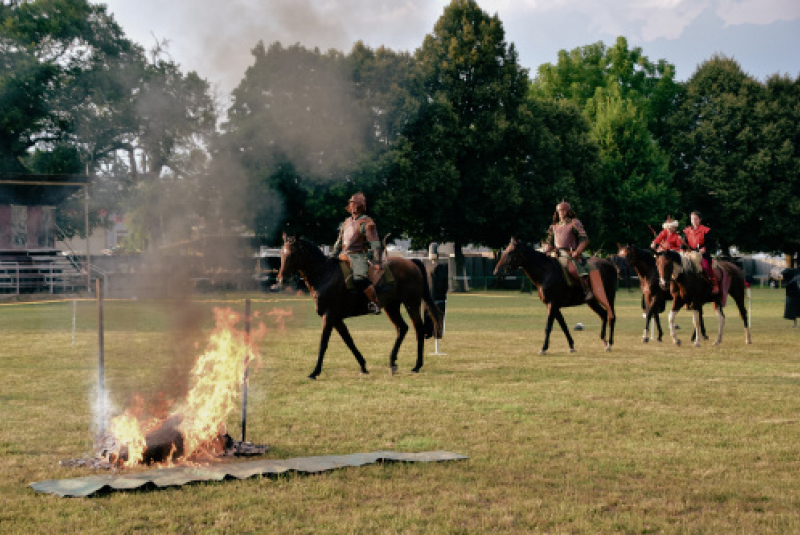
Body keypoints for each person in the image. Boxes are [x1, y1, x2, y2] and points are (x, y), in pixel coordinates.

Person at [542, 200, 614, 319]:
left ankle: (587, 291)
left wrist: (577, 251)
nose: (561, 212)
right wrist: (545, 251)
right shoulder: (553, 226)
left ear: (568, 211)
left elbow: (584, 239)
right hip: (557, 254)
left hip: (571, 254)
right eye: (559, 210)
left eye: (563, 210)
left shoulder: (575, 223)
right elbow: (549, 243)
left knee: (572, 270)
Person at [331, 192, 383, 314]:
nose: (352, 205)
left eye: (354, 203)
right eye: (351, 203)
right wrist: (332, 256)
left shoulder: (367, 222)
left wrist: (378, 261)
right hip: (344, 255)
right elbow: (339, 241)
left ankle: (375, 304)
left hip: (359, 255)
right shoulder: (346, 222)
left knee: (359, 278)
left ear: (360, 206)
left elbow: (375, 243)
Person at [683, 211, 719, 294]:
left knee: (706, 267)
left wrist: (705, 248)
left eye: (696, 219)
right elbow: (683, 243)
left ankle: (714, 284)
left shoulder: (706, 230)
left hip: (702, 254)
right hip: (690, 254)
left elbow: (711, 243)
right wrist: (682, 250)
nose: (694, 221)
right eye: (692, 219)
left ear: (700, 219)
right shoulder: (686, 231)